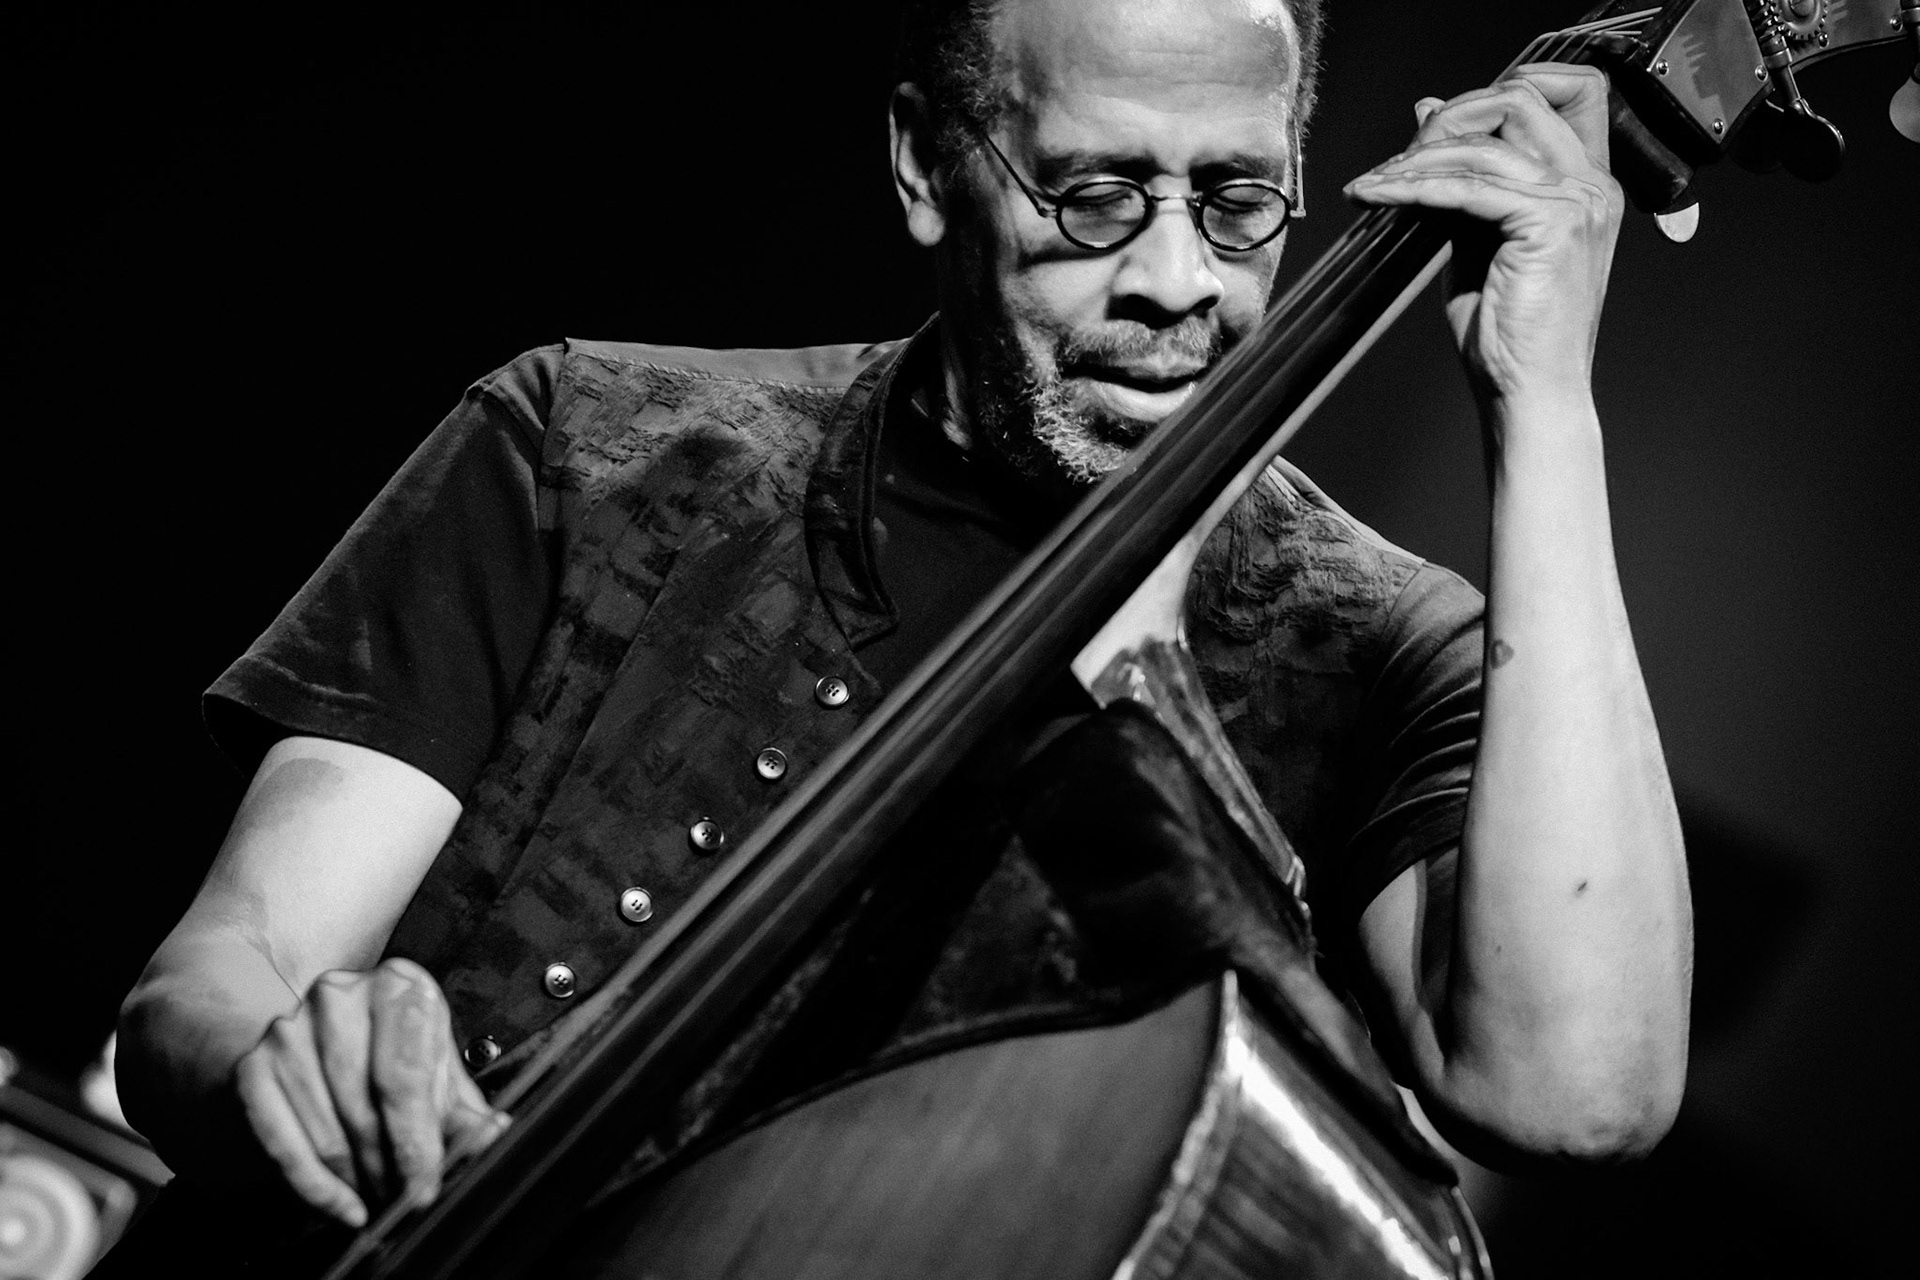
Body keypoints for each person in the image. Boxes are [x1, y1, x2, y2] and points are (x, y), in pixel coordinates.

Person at [115, 0, 1692, 1253]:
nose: (1175, 279)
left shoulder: (1381, 643)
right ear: (927, 166)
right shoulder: (585, 443)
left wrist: (1542, 399)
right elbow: (225, 964)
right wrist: (282, 1071)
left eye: (1237, 198)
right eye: (1092, 195)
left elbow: (1571, 1090)